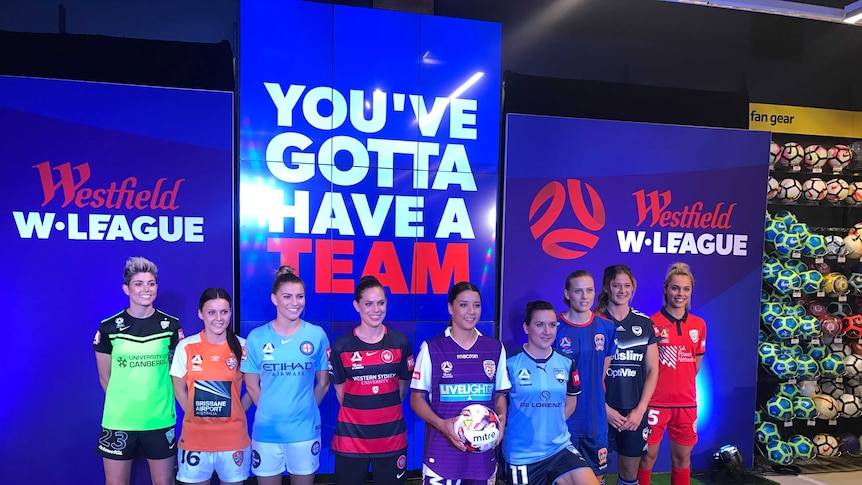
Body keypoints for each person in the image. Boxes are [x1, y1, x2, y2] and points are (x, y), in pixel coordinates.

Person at [93, 256, 183, 485]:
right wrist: (125, 405)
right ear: (126, 289)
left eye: (151, 283)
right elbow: (105, 377)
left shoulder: (171, 325)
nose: (146, 289)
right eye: (139, 284)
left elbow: (176, 374)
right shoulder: (109, 327)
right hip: (119, 422)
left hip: (160, 421)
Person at [410, 281, 512, 485]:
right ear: (450, 308)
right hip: (442, 454)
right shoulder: (432, 348)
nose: (471, 311)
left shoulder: (494, 348)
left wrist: (501, 420)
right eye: (464, 305)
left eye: (476, 305)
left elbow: (500, 394)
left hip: (483, 456)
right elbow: (416, 398)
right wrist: (442, 425)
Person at [241, 266, 330, 485]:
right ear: (274, 299)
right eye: (287, 296)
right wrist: (272, 410)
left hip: (305, 432)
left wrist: (304, 407)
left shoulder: (316, 335)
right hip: (267, 432)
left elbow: (323, 383)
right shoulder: (257, 337)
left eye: (300, 296)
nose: (295, 302)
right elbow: (251, 385)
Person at [329, 275, 415, 485]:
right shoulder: (341, 346)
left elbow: (401, 391)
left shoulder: (400, 342)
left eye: (381, 303)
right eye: (368, 304)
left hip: (391, 440)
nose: (376, 310)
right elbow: (342, 395)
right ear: (356, 305)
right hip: (351, 442)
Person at [502, 300, 599, 485]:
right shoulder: (509, 363)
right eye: (539, 324)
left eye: (552, 325)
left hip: (559, 448)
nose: (547, 331)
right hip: (523, 455)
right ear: (526, 327)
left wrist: (550, 423)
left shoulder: (566, 362)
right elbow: (500, 407)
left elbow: (571, 402)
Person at [170, 288, 252, 485]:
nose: (218, 318)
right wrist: (192, 411)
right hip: (195, 439)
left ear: (230, 313)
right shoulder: (187, 347)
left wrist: (237, 409)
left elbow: (253, 387)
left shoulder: (243, 347)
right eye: (211, 312)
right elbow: (178, 387)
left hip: (233, 440)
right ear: (200, 313)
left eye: (224, 312)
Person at [638, 263, 706, 485]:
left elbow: (695, 363)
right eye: (676, 288)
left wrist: (680, 382)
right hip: (655, 403)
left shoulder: (699, 324)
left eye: (686, 289)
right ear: (666, 289)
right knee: (647, 456)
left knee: (682, 458)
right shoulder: (650, 323)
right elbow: (646, 367)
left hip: (686, 404)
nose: (680, 294)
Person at [594, 265, 659, 485]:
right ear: (606, 287)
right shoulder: (594, 322)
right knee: (595, 475)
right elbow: (583, 374)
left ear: (633, 288)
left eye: (627, 285)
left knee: (630, 475)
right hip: (599, 411)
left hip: (633, 413)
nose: (622, 290)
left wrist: (640, 410)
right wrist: (605, 409)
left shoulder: (645, 323)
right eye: (616, 285)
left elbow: (652, 371)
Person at [554, 270, 616, 482]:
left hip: (595, 422)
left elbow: (602, 374)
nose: (584, 296)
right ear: (567, 293)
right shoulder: (554, 327)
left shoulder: (607, 327)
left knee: (595, 479)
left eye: (589, 290)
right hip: (565, 422)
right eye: (578, 291)